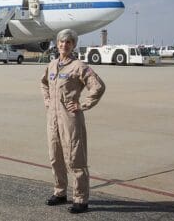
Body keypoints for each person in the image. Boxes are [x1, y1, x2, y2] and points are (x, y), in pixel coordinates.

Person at [40, 29, 105, 214]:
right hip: (52, 118)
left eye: (68, 42)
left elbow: (98, 87)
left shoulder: (79, 67)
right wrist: (47, 100)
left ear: (73, 45)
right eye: (61, 42)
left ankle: (81, 199)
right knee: (55, 157)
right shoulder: (52, 65)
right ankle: (60, 192)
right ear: (57, 44)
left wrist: (82, 104)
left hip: (70, 119)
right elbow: (43, 83)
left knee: (75, 158)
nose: (64, 45)